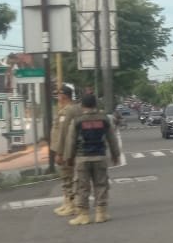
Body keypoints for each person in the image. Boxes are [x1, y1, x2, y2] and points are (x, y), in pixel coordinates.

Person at [63, 94, 121, 225]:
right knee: (101, 184)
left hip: (82, 158)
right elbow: (112, 138)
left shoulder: (77, 121)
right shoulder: (104, 119)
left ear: (82, 106)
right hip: (100, 156)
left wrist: (69, 158)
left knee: (82, 187)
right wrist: (115, 155)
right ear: (96, 105)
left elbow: (70, 141)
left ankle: (83, 215)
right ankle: (101, 213)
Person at [50, 85, 81, 217]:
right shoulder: (68, 109)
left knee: (67, 177)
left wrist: (60, 152)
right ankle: (67, 202)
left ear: (65, 95)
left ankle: (71, 204)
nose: (58, 96)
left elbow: (63, 133)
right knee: (67, 177)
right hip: (65, 148)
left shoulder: (68, 111)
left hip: (65, 149)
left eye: (59, 94)